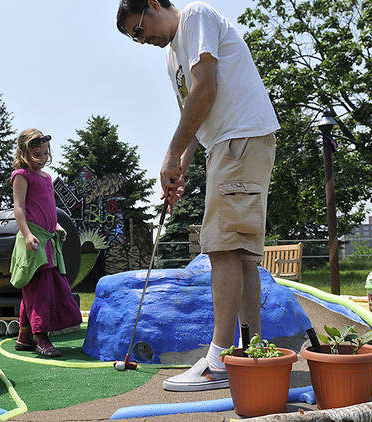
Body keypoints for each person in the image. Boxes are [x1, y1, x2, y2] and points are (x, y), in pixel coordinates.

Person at [116, 0, 279, 391]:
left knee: (222, 248)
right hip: (225, 144)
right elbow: (195, 113)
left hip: (238, 138)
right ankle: (249, 354)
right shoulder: (172, 56)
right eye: (133, 39)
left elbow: (205, 89)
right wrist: (180, 165)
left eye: (138, 30)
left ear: (153, 4)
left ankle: (219, 361)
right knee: (239, 253)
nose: (142, 41)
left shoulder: (196, 17)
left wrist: (172, 154)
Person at [9, 128, 82, 357]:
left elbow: (47, 207)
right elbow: (19, 208)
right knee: (38, 289)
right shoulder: (21, 175)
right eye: (36, 155)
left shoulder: (46, 177)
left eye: (43, 154)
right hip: (33, 239)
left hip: (47, 239)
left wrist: (56, 225)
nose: (41, 159)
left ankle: (24, 337)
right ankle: (41, 338)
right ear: (24, 153)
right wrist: (28, 234)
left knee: (40, 287)